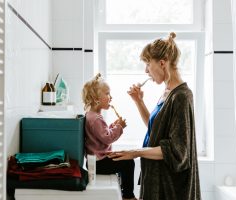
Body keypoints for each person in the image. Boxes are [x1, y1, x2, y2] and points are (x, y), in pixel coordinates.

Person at [108, 32, 201, 200]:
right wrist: (139, 101)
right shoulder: (167, 92)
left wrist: (135, 152)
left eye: (147, 63)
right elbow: (156, 130)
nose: (146, 70)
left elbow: (178, 151)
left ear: (162, 63)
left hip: (171, 188)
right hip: (156, 179)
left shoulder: (181, 96)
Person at [82, 73, 137, 200]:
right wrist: (119, 127)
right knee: (128, 162)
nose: (110, 97)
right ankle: (128, 196)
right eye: (107, 94)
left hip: (97, 161)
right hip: (100, 163)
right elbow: (107, 138)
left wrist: (113, 126)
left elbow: (102, 133)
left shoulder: (92, 116)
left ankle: (125, 192)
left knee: (124, 158)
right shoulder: (95, 119)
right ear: (96, 98)